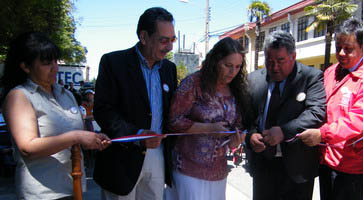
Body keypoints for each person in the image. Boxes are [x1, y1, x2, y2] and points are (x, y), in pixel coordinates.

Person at [0, 32, 110, 199]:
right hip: (42, 193)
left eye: (55, 61)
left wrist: (91, 139)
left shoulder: (66, 94)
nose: (55, 68)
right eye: (46, 63)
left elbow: (75, 137)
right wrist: (76, 136)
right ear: (25, 66)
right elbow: (27, 147)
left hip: (73, 186)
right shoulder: (20, 96)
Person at [298, 18, 363, 200]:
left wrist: (323, 134)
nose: (341, 53)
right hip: (327, 158)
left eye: (348, 49)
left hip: (352, 165)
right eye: (338, 47)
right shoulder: (332, 71)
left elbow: (358, 120)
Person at [93, 7, 178, 199]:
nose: (170, 47)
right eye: (163, 40)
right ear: (144, 36)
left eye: (172, 39)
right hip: (121, 161)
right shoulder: (113, 63)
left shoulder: (169, 69)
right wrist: (137, 135)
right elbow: (103, 111)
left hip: (158, 157)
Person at [164, 37, 250, 200]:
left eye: (238, 67)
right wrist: (208, 129)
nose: (233, 72)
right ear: (216, 60)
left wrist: (235, 140)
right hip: (189, 169)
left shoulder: (236, 89)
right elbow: (173, 121)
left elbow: (237, 124)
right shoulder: (194, 83)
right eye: (228, 65)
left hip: (219, 171)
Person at [246, 31, 326, 200]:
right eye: (269, 61)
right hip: (263, 167)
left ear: (293, 56)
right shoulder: (253, 80)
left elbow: (316, 112)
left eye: (280, 61)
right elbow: (245, 116)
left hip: (297, 169)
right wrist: (251, 135)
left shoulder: (310, 77)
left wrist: (284, 131)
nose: (274, 67)